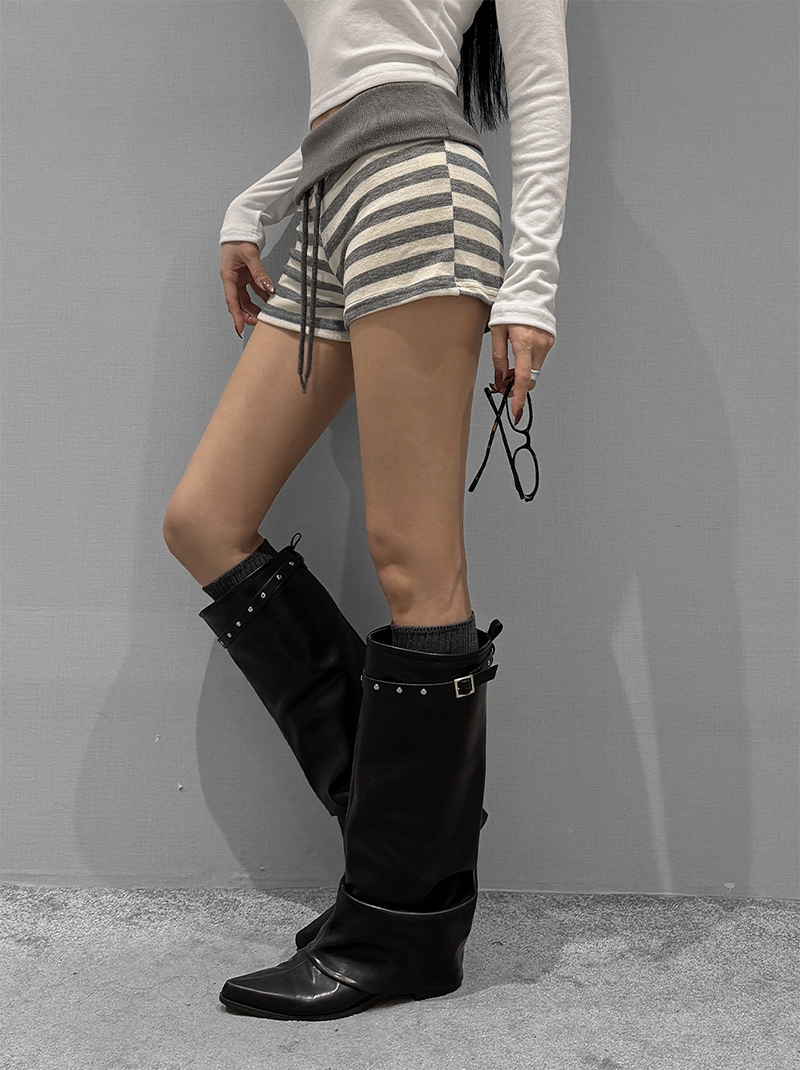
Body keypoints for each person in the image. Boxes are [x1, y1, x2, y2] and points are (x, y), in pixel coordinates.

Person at [162, 0, 571, 1022]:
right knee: (204, 518)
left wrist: (530, 288)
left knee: (415, 561)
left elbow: (539, 83)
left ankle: (399, 925)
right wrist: (252, 204)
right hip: (331, 201)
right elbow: (359, 80)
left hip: (419, 195)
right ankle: (405, 839)